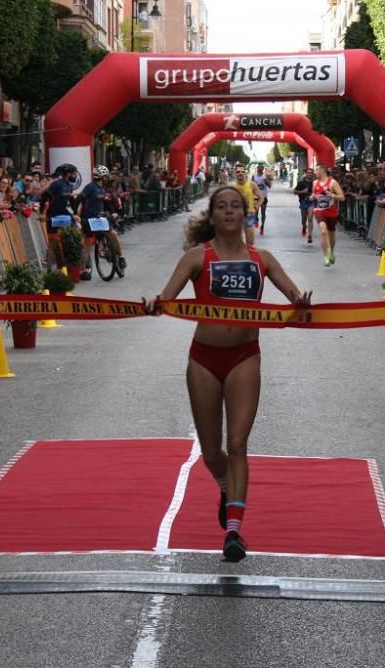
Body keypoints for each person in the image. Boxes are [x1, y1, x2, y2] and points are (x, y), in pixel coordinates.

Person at [147, 186, 311, 562]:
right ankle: (226, 486)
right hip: (203, 359)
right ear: (213, 216)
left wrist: (301, 304)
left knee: (237, 443)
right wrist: (155, 304)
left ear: (245, 214)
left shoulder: (262, 259)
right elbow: (165, 299)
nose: (228, 212)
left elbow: (295, 298)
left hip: (244, 357)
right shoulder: (195, 257)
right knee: (210, 452)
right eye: (221, 207)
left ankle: (234, 531)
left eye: (235, 206)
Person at [311, 164, 345, 267]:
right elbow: (313, 194)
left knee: (331, 234)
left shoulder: (332, 183)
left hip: (331, 211)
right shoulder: (315, 183)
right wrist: (312, 197)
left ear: (322, 170)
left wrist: (332, 195)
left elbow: (342, 197)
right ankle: (326, 256)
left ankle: (331, 252)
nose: (315, 172)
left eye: (317, 170)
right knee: (323, 231)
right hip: (319, 210)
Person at [230, 166, 261, 246]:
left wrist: (256, 207)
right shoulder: (231, 187)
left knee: (250, 243)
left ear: (245, 173)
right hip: (235, 216)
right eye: (238, 172)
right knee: (236, 242)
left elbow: (261, 197)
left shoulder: (251, 184)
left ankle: (249, 257)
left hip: (249, 215)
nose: (240, 173)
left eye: (242, 172)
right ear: (235, 174)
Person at [293, 167, 315, 244]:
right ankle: (304, 227)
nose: (309, 174)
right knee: (304, 219)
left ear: (312, 174)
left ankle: (310, 236)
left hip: (311, 203)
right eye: (308, 173)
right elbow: (294, 192)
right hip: (303, 202)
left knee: (310, 218)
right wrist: (302, 191)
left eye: (311, 173)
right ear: (306, 174)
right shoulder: (301, 183)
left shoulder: (315, 183)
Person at [252, 165, 271, 234]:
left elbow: (270, 186)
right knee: (255, 211)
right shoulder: (254, 176)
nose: (260, 169)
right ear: (257, 168)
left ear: (263, 169)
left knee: (263, 212)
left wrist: (266, 181)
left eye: (261, 168)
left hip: (264, 196)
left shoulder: (265, 176)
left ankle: (262, 226)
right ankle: (256, 219)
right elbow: (250, 186)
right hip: (255, 197)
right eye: (258, 168)